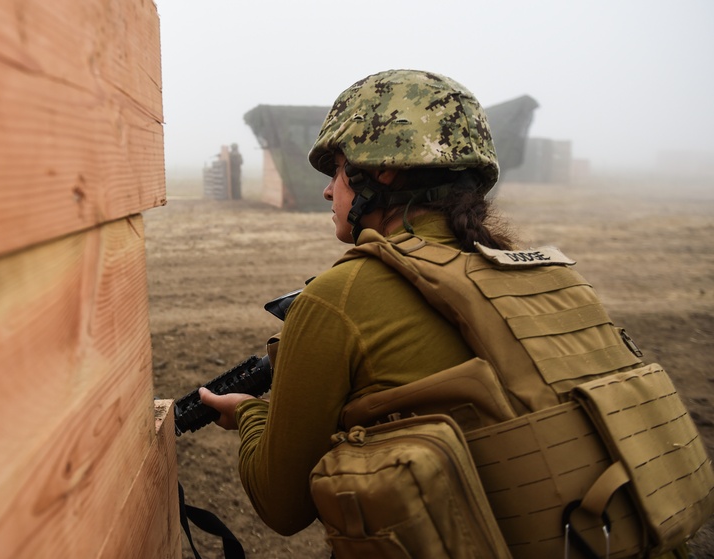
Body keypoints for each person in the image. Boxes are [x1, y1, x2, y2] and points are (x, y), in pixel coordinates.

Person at [198, 69, 705, 558]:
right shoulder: (549, 276)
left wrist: (248, 413)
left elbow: (281, 507)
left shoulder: (340, 295)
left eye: (337, 169)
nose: (329, 190)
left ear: (383, 171)